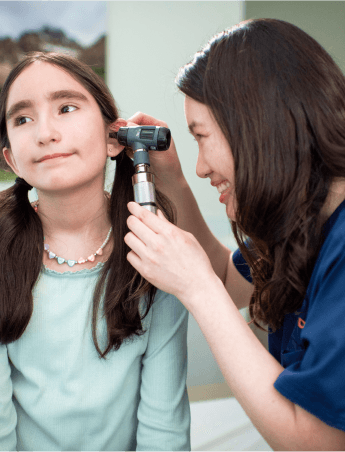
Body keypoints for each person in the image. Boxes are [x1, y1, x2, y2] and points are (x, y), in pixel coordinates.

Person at [125, 18, 345, 450]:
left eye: (202, 138)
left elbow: (317, 442)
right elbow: (228, 277)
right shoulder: (304, 224)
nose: (202, 165)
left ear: (258, 125)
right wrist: (172, 180)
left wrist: (196, 289)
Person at [0, 52, 190, 451]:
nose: (45, 132)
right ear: (11, 159)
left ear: (114, 138)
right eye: (23, 119)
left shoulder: (157, 250)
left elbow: (165, 429)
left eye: (66, 107)